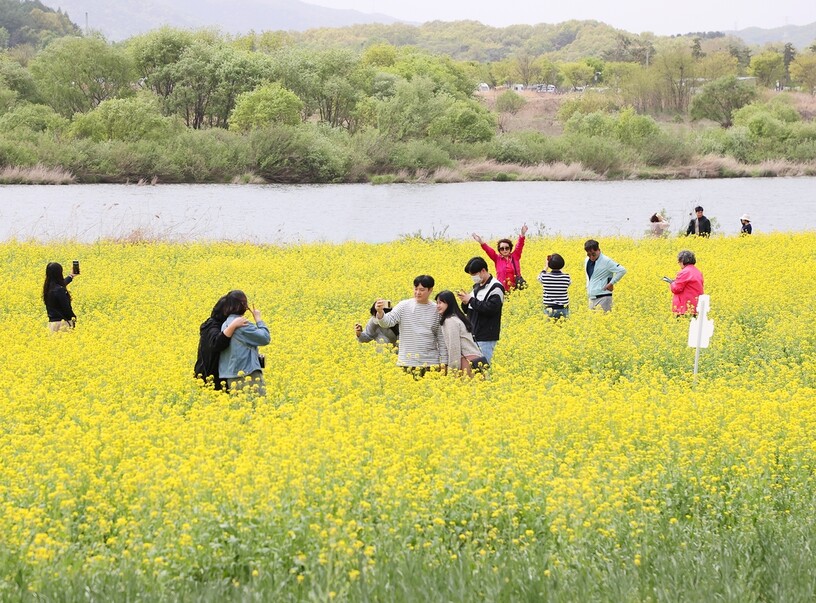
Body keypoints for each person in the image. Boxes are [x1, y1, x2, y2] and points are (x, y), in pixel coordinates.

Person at [374, 275, 447, 374]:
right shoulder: (404, 306)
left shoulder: (436, 310)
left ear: (430, 290)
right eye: (416, 289)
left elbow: (441, 338)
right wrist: (380, 312)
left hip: (430, 363)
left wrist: (444, 362)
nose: (417, 292)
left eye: (422, 290)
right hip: (407, 362)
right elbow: (387, 322)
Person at [218, 291, 270, 395]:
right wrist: (258, 319)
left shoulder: (225, 324)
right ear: (243, 305)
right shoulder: (242, 324)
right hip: (248, 375)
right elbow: (265, 338)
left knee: (239, 409)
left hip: (231, 377)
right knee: (256, 407)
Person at [195, 293, 249, 390]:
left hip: (222, 379)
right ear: (225, 311)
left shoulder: (224, 326)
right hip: (209, 379)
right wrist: (233, 326)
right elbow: (217, 343)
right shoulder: (211, 326)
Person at [458, 257, 504, 363]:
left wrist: (470, 300)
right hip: (473, 334)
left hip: (486, 335)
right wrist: (465, 302)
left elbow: (491, 309)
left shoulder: (496, 288)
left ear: (483, 271)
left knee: (482, 369)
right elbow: (469, 309)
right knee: (473, 371)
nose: (473, 278)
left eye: (474, 275)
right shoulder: (477, 287)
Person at [435, 290, 488, 376]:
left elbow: (454, 347)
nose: (437, 306)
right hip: (476, 360)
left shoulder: (450, 321)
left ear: (449, 304)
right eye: (437, 303)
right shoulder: (458, 317)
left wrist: (453, 370)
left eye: (440, 303)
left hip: (466, 361)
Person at [471, 224, 528, 291]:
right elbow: (488, 250)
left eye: (507, 248)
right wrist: (480, 241)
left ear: (510, 248)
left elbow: (520, 245)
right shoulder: (497, 258)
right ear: (499, 250)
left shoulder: (515, 256)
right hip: (502, 289)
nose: (505, 250)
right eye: (502, 248)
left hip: (516, 289)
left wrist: (522, 234)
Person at [583, 240, 626, 312]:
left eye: (593, 254)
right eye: (589, 255)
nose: (591, 257)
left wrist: (611, 283)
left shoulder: (606, 261)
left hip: (604, 298)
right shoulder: (587, 260)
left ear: (598, 250)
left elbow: (622, 270)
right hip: (591, 298)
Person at [666, 250, 704, 316]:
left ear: (683, 261)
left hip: (684, 308)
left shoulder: (684, 272)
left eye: (679, 261)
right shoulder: (697, 271)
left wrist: (672, 283)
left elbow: (676, 289)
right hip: (695, 307)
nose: (679, 263)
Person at [43, 262, 78, 332]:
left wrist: (71, 276)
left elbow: (61, 285)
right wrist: (74, 318)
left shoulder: (48, 288)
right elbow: (66, 307)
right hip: (62, 325)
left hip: (52, 325)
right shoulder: (59, 290)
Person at [537, 253, 571, 319]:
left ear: (549, 265)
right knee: (563, 327)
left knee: (549, 328)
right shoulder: (566, 277)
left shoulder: (545, 277)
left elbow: (539, 277)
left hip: (549, 309)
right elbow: (568, 283)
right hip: (563, 308)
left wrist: (546, 267)